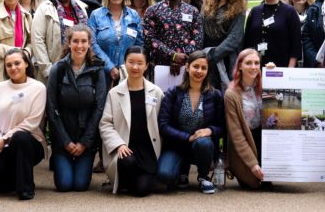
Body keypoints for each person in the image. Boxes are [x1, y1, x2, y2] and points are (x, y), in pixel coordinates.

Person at [0, 48, 46, 201]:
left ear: (26, 64)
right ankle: (14, 177)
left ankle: (25, 189)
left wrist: (6, 138)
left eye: (17, 63)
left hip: (29, 142)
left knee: (20, 137)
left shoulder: (38, 88)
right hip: (1, 142)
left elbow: (32, 122)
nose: (13, 68)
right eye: (9, 65)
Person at [47, 25, 106, 192]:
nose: (79, 46)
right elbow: (52, 109)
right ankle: (60, 159)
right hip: (63, 138)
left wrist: (84, 142)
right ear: (69, 43)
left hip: (86, 140)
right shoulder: (57, 69)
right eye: (75, 41)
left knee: (80, 185)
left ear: (89, 44)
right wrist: (65, 142)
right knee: (65, 185)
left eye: (83, 41)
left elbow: (99, 108)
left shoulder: (97, 70)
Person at [99, 46, 164, 196]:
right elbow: (105, 123)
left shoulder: (156, 92)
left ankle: (136, 180)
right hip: (125, 148)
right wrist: (119, 144)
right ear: (125, 63)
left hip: (148, 150)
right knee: (127, 161)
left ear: (147, 65)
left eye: (140, 63)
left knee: (141, 191)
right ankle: (124, 179)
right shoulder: (114, 93)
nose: (135, 67)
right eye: (131, 62)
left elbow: (162, 123)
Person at [157, 50, 224, 194]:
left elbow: (222, 126)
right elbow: (163, 125)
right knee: (165, 176)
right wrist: (187, 137)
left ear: (207, 71)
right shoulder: (173, 93)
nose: (199, 71)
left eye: (203, 68)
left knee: (204, 142)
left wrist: (210, 130)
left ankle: (203, 177)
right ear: (187, 67)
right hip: (176, 145)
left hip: (200, 146)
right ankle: (182, 172)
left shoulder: (215, 95)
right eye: (195, 66)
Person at [33, 0, 88, 84]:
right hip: (54, 69)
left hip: (79, 68)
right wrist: (48, 71)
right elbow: (37, 41)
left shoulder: (81, 8)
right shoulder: (44, 9)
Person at [144, 0, 204, 75]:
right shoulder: (152, 11)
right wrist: (173, 56)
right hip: (160, 67)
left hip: (187, 66)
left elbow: (198, 38)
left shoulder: (192, 11)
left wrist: (182, 57)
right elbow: (149, 39)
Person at [88, 0, 143, 85]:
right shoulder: (96, 15)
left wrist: (130, 65)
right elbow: (91, 43)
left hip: (129, 72)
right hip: (102, 72)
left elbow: (139, 43)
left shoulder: (133, 15)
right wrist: (110, 67)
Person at [224, 48, 265, 189]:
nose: (253, 67)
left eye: (256, 63)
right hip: (245, 140)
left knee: (268, 179)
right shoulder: (231, 94)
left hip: (262, 138)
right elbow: (236, 135)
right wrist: (252, 164)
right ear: (240, 66)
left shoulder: (266, 85)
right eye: (248, 63)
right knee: (252, 183)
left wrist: (275, 72)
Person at [202, 0, 247, 91]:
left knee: (225, 95)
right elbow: (201, 28)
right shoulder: (207, 1)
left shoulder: (239, 5)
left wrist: (212, 56)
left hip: (226, 57)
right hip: (206, 55)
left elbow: (235, 38)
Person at [244, 0, 301, 68]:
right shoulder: (255, 11)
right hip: (256, 69)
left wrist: (289, 72)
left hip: (282, 68)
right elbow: (247, 43)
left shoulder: (289, 12)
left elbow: (296, 46)